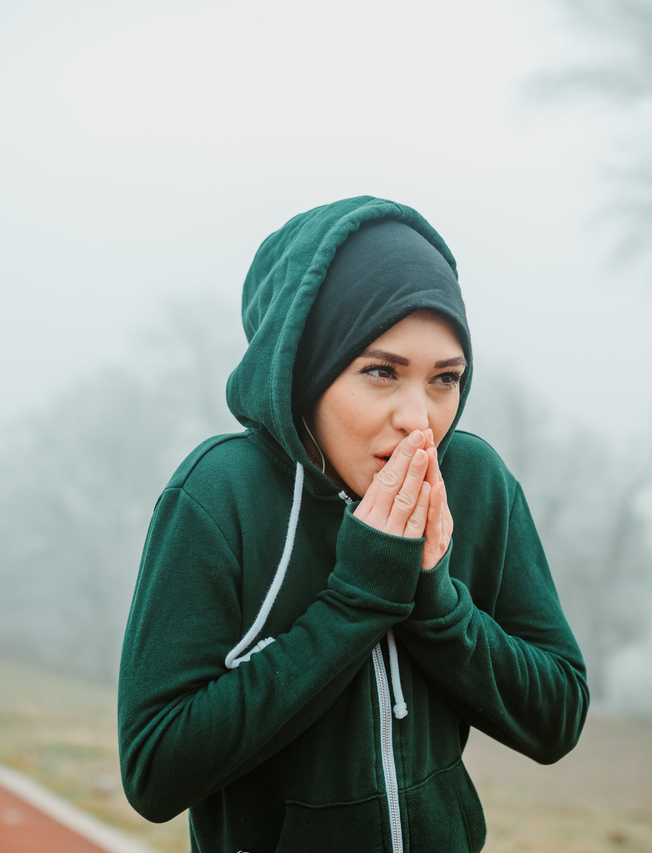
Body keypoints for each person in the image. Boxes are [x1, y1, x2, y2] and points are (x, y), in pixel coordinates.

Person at [118, 196, 588, 853]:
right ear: (308, 367)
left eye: (444, 378)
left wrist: (435, 600)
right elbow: (154, 771)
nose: (418, 418)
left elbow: (557, 715)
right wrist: (358, 599)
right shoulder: (221, 493)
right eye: (380, 372)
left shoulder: (474, 481)